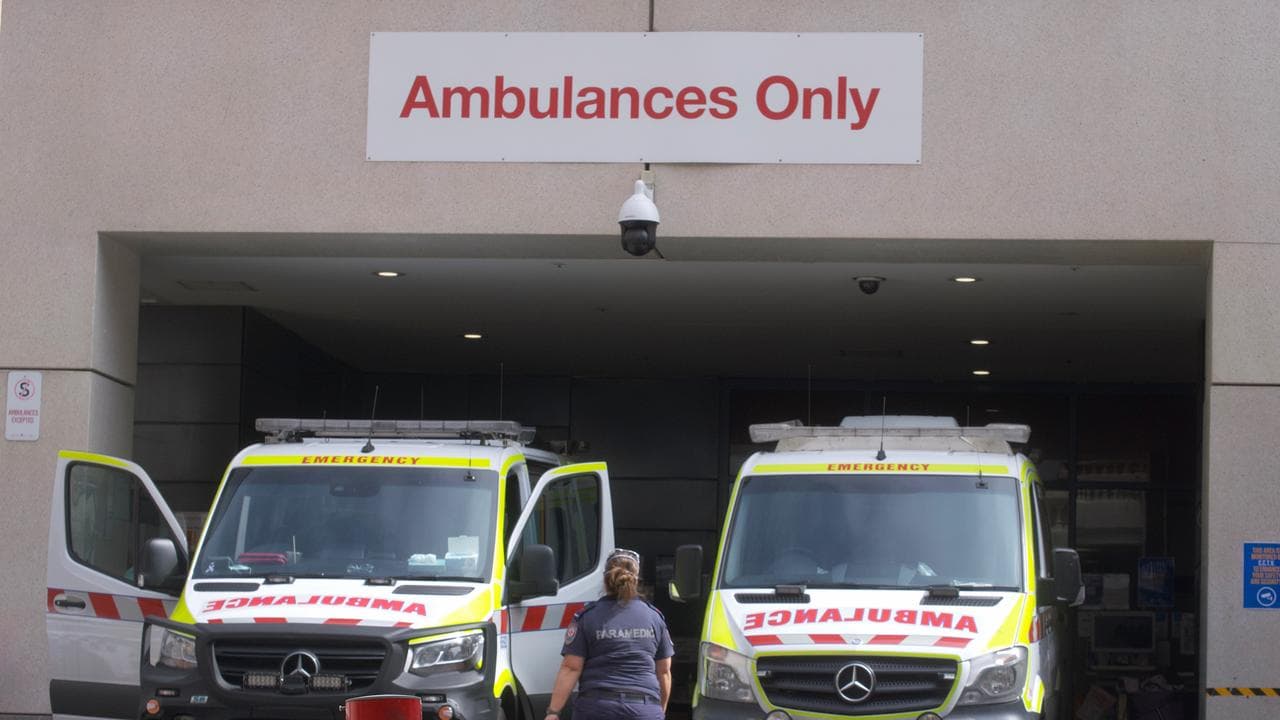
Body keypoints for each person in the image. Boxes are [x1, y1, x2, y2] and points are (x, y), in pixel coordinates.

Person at [545, 548, 674, 720]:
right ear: (636, 580)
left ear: (606, 580)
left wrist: (553, 712)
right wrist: (658, 711)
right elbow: (664, 671)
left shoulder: (587, 616)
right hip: (643, 709)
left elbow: (571, 667)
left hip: (596, 708)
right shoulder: (654, 617)